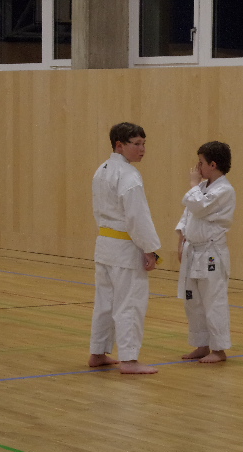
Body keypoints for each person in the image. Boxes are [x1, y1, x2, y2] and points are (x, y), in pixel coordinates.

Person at [88, 122, 161, 374]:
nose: (142, 149)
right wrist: (149, 249)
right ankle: (129, 360)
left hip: (105, 245)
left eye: (144, 144)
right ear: (119, 145)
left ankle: (98, 352)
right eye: (136, 144)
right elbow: (137, 217)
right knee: (130, 303)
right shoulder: (129, 175)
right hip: (124, 247)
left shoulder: (102, 170)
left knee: (105, 303)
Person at [176, 141, 236, 363]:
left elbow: (200, 207)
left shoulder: (225, 190)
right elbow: (188, 215)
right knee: (194, 301)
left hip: (211, 253)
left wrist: (192, 184)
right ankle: (202, 345)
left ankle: (219, 350)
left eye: (200, 162)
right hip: (193, 250)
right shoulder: (201, 188)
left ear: (213, 164)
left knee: (213, 301)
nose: (197, 167)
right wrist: (181, 241)